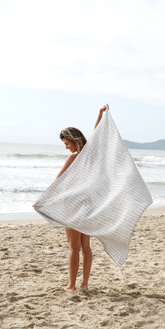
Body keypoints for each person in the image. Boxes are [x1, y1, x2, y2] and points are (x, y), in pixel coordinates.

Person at [54, 104, 109, 292]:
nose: (67, 148)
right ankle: (84, 284)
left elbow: (57, 181)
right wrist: (100, 114)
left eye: (67, 143)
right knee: (86, 246)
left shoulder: (74, 158)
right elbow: (97, 135)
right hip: (89, 205)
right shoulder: (91, 156)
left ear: (72, 139)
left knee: (73, 248)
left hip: (72, 205)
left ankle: (71, 285)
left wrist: (45, 200)